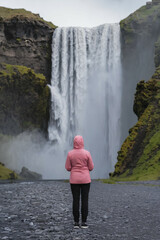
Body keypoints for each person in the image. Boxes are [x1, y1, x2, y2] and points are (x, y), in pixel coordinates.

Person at [65, 135, 94, 229]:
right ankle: (84, 222)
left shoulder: (70, 154)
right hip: (85, 179)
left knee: (75, 200)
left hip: (74, 180)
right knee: (85, 200)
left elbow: (68, 168)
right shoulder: (87, 153)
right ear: (82, 142)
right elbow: (91, 167)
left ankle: (76, 222)